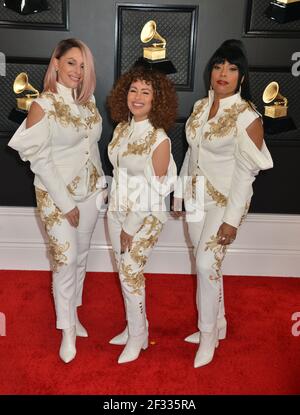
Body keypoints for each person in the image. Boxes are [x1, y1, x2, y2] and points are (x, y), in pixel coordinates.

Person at [173, 39, 273, 368]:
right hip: (197, 198)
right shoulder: (201, 107)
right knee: (209, 267)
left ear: (241, 77)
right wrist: (179, 192)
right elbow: (192, 152)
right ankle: (219, 325)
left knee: (204, 265)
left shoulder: (248, 118)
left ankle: (207, 337)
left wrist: (231, 219)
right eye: (218, 66)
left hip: (227, 203)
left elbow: (247, 175)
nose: (223, 74)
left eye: (232, 69)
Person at [8, 38, 107, 363]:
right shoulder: (43, 105)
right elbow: (39, 159)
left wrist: (101, 186)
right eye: (71, 63)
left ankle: (74, 316)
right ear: (56, 64)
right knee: (65, 260)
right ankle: (66, 329)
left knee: (81, 258)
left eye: (82, 65)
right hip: (56, 196)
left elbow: (90, 147)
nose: (77, 71)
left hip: (92, 192)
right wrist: (66, 204)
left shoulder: (89, 101)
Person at [106, 61, 178, 364]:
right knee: (125, 274)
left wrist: (131, 225)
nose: (137, 96)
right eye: (133, 90)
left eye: (145, 92)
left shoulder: (160, 138)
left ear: (156, 99)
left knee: (131, 274)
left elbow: (155, 190)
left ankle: (138, 338)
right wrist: (118, 216)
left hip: (144, 217)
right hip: (115, 211)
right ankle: (137, 327)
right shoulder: (122, 129)